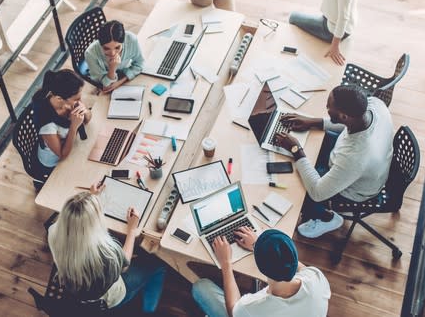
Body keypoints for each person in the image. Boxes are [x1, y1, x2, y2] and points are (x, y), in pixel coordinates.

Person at [275, 84, 393, 239]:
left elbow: (318, 193)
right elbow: (347, 126)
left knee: (300, 189)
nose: (326, 107)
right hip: (352, 158)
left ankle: (327, 217)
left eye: (329, 107)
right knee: (310, 152)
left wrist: (296, 149)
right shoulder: (374, 104)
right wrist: (312, 122)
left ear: (343, 116)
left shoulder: (356, 157)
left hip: (355, 190)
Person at [47, 184, 166, 312]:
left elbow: (77, 221)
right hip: (109, 299)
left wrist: (90, 198)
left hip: (76, 288)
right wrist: (132, 230)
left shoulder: (53, 231)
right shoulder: (105, 252)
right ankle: (148, 310)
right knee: (158, 265)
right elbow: (125, 264)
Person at [191, 228, 330, 317]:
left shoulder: (254, 308)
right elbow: (293, 263)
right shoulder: (316, 277)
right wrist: (258, 246)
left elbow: (233, 310)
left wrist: (226, 263)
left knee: (201, 287)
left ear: (261, 267)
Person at [32, 69, 92, 171]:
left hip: (72, 145)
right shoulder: (47, 125)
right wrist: (74, 126)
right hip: (54, 163)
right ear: (59, 98)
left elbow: (88, 119)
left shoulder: (68, 101)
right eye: (77, 99)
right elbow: (62, 154)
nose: (79, 101)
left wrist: (84, 110)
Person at [84, 20, 144, 94]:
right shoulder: (90, 54)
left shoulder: (131, 40)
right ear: (100, 43)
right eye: (106, 48)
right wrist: (112, 69)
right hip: (103, 81)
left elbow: (140, 63)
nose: (112, 53)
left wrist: (120, 81)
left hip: (122, 76)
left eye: (117, 47)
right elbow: (106, 85)